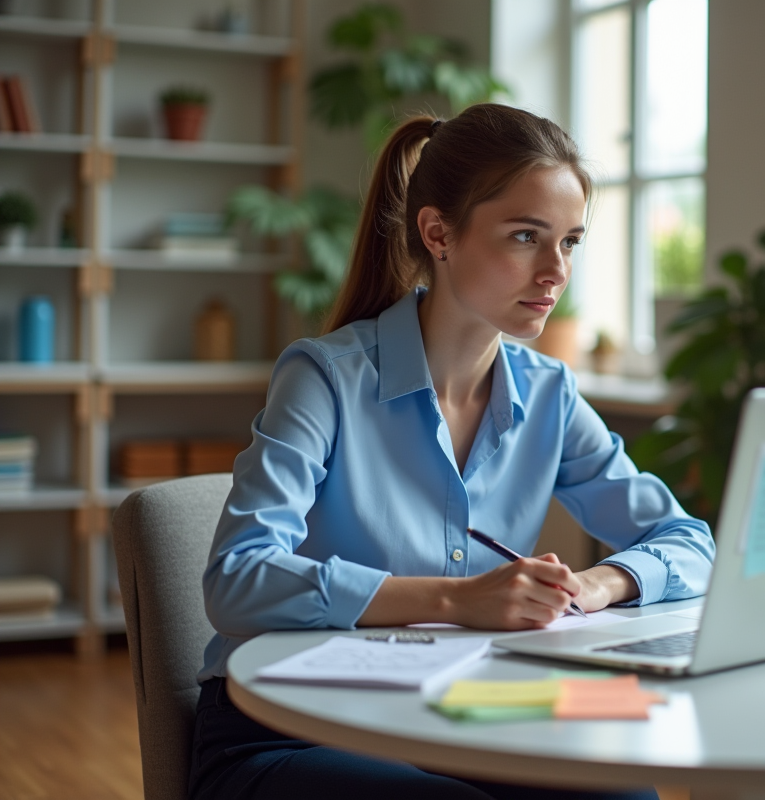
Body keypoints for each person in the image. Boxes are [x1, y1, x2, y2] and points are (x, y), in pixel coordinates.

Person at [189, 103, 716, 800]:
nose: (555, 271)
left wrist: (595, 586)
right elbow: (236, 579)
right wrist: (457, 599)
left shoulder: (549, 393)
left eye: (570, 242)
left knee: (625, 793)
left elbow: (688, 543)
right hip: (290, 730)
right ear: (438, 233)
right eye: (527, 237)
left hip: (462, 718)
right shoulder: (324, 378)